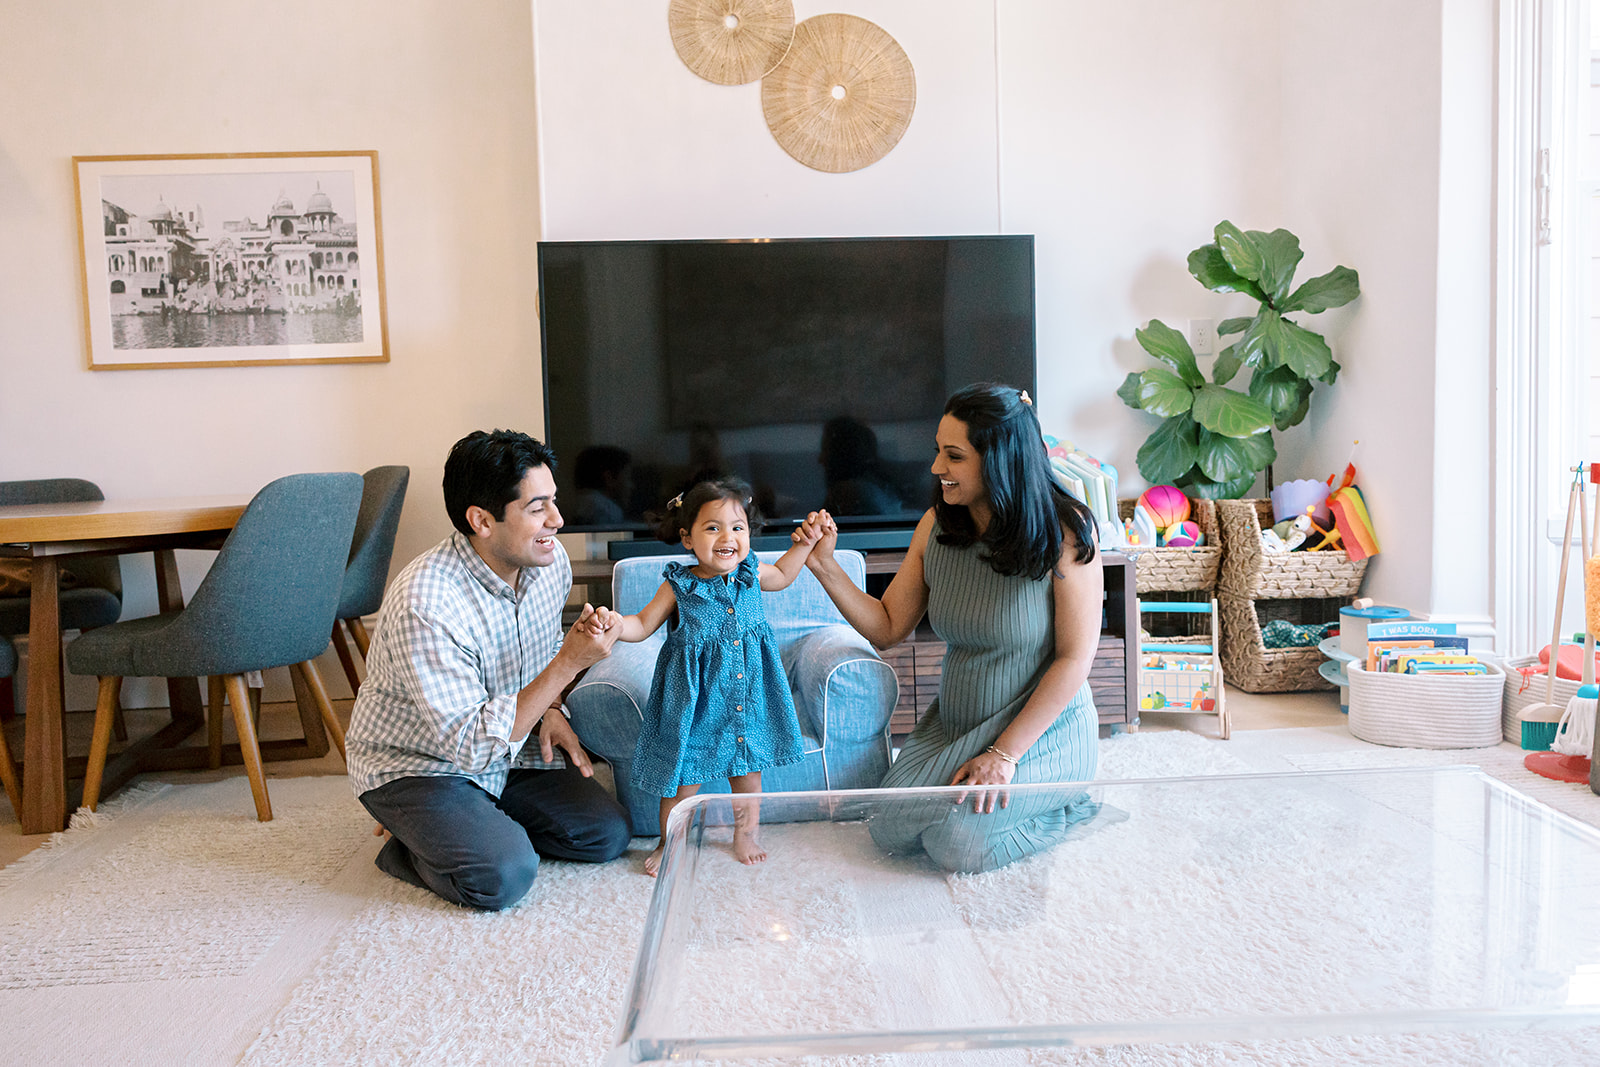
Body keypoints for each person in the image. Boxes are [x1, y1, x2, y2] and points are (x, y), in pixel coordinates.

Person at [796, 383, 1104, 873]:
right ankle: (987, 795)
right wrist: (826, 567)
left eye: (953, 455)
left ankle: (1060, 804)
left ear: (1000, 460)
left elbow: (1075, 657)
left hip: (1041, 733)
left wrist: (1004, 755)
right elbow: (888, 626)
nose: (937, 467)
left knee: (955, 844)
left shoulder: (1067, 533)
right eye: (938, 451)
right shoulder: (937, 527)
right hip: (959, 724)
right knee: (888, 826)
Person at [345, 429, 632, 910]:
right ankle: (408, 841)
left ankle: (470, 822)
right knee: (501, 876)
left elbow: (536, 660)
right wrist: (567, 667)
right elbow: (471, 746)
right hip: (420, 765)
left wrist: (553, 709)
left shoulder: (549, 562)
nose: (558, 521)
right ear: (481, 520)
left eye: (554, 502)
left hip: (508, 747)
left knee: (606, 835)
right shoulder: (427, 601)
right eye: (538, 508)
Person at [590, 478, 822, 876]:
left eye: (737, 527)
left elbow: (783, 575)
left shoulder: (751, 573)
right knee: (682, 779)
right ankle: (670, 841)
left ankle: (745, 833)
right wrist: (614, 623)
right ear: (687, 538)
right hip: (694, 704)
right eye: (713, 527)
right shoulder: (679, 585)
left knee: (748, 774)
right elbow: (642, 624)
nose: (727, 537)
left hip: (748, 696)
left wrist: (805, 544)